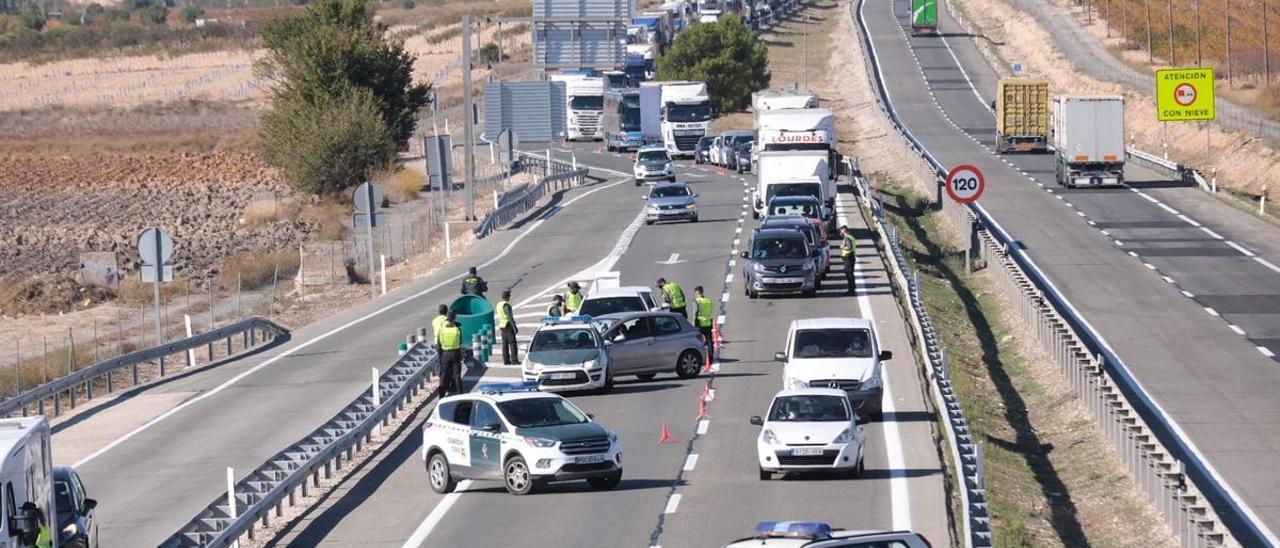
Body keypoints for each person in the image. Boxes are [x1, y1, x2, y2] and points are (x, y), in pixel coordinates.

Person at [437, 312, 463, 396]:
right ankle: (460, 393)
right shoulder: (457, 330)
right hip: (455, 352)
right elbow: (460, 341)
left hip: (445, 353)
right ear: (454, 319)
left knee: (444, 374)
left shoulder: (442, 330)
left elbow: (439, 343)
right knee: (457, 374)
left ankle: (441, 395)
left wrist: (441, 355)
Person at [693, 286, 715, 363]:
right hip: (708, 323)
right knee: (709, 342)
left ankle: (700, 358)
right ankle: (711, 358)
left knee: (697, 342)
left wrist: (694, 322)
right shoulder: (708, 300)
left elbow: (695, 312)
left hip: (699, 323)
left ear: (697, 292)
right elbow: (710, 310)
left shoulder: (696, 301)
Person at [497, 290, 519, 365]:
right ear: (508, 297)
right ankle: (514, 360)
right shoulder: (506, 305)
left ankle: (506, 360)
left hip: (502, 325)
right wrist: (514, 326)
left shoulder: (499, 304)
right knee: (512, 343)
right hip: (507, 325)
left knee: (505, 344)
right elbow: (510, 316)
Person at [839, 225, 857, 294]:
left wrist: (842, 247)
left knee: (849, 274)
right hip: (850, 257)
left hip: (848, 257)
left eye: (841, 231)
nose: (840, 232)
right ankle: (851, 289)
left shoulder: (847, 238)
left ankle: (851, 290)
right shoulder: (850, 237)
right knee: (850, 273)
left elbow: (849, 247)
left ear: (844, 231)